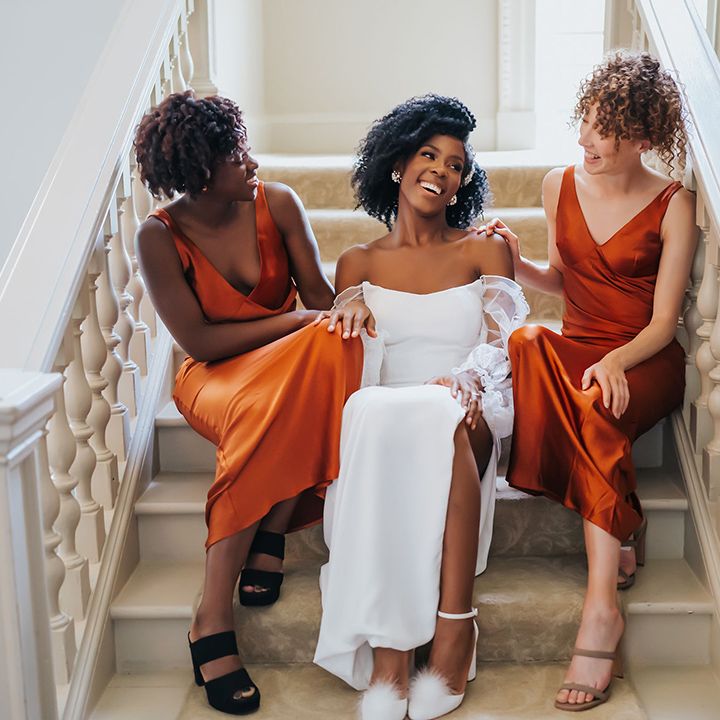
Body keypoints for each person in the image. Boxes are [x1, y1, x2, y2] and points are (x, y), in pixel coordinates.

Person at [134, 91, 364, 715]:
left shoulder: (279, 204)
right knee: (286, 385)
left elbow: (321, 302)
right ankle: (213, 613)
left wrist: (336, 308)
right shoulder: (158, 238)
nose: (252, 161)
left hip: (286, 370)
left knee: (332, 349)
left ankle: (270, 523)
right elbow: (201, 341)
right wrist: (295, 321)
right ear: (201, 171)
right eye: (237, 155)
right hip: (214, 378)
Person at [483, 52, 696, 711]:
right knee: (525, 339)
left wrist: (618, 361)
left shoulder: (674, 202)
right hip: (582, 347)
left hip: (644, 360)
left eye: (604, 129)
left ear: (643, 138)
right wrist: (521, 266)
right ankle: (621, 520)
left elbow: (665, 323)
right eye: (585, 123)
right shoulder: (557, 184)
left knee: (596, 403)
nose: (585, 140)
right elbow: (565, 281)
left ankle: (601, 609)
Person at [312, 95, 528, 720]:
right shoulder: (356, 263)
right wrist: (347, 313)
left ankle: (452, 628)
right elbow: (349, 366)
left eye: (456, 163)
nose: (442, 170)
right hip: (386, 414)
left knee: (435, 412)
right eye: (429, 155)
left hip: (470, 407)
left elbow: (504, 347)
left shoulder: (482, 250)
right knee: (380, 411)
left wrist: (463, 379)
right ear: (397, 166)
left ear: (464, 182)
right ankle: (391, 656)